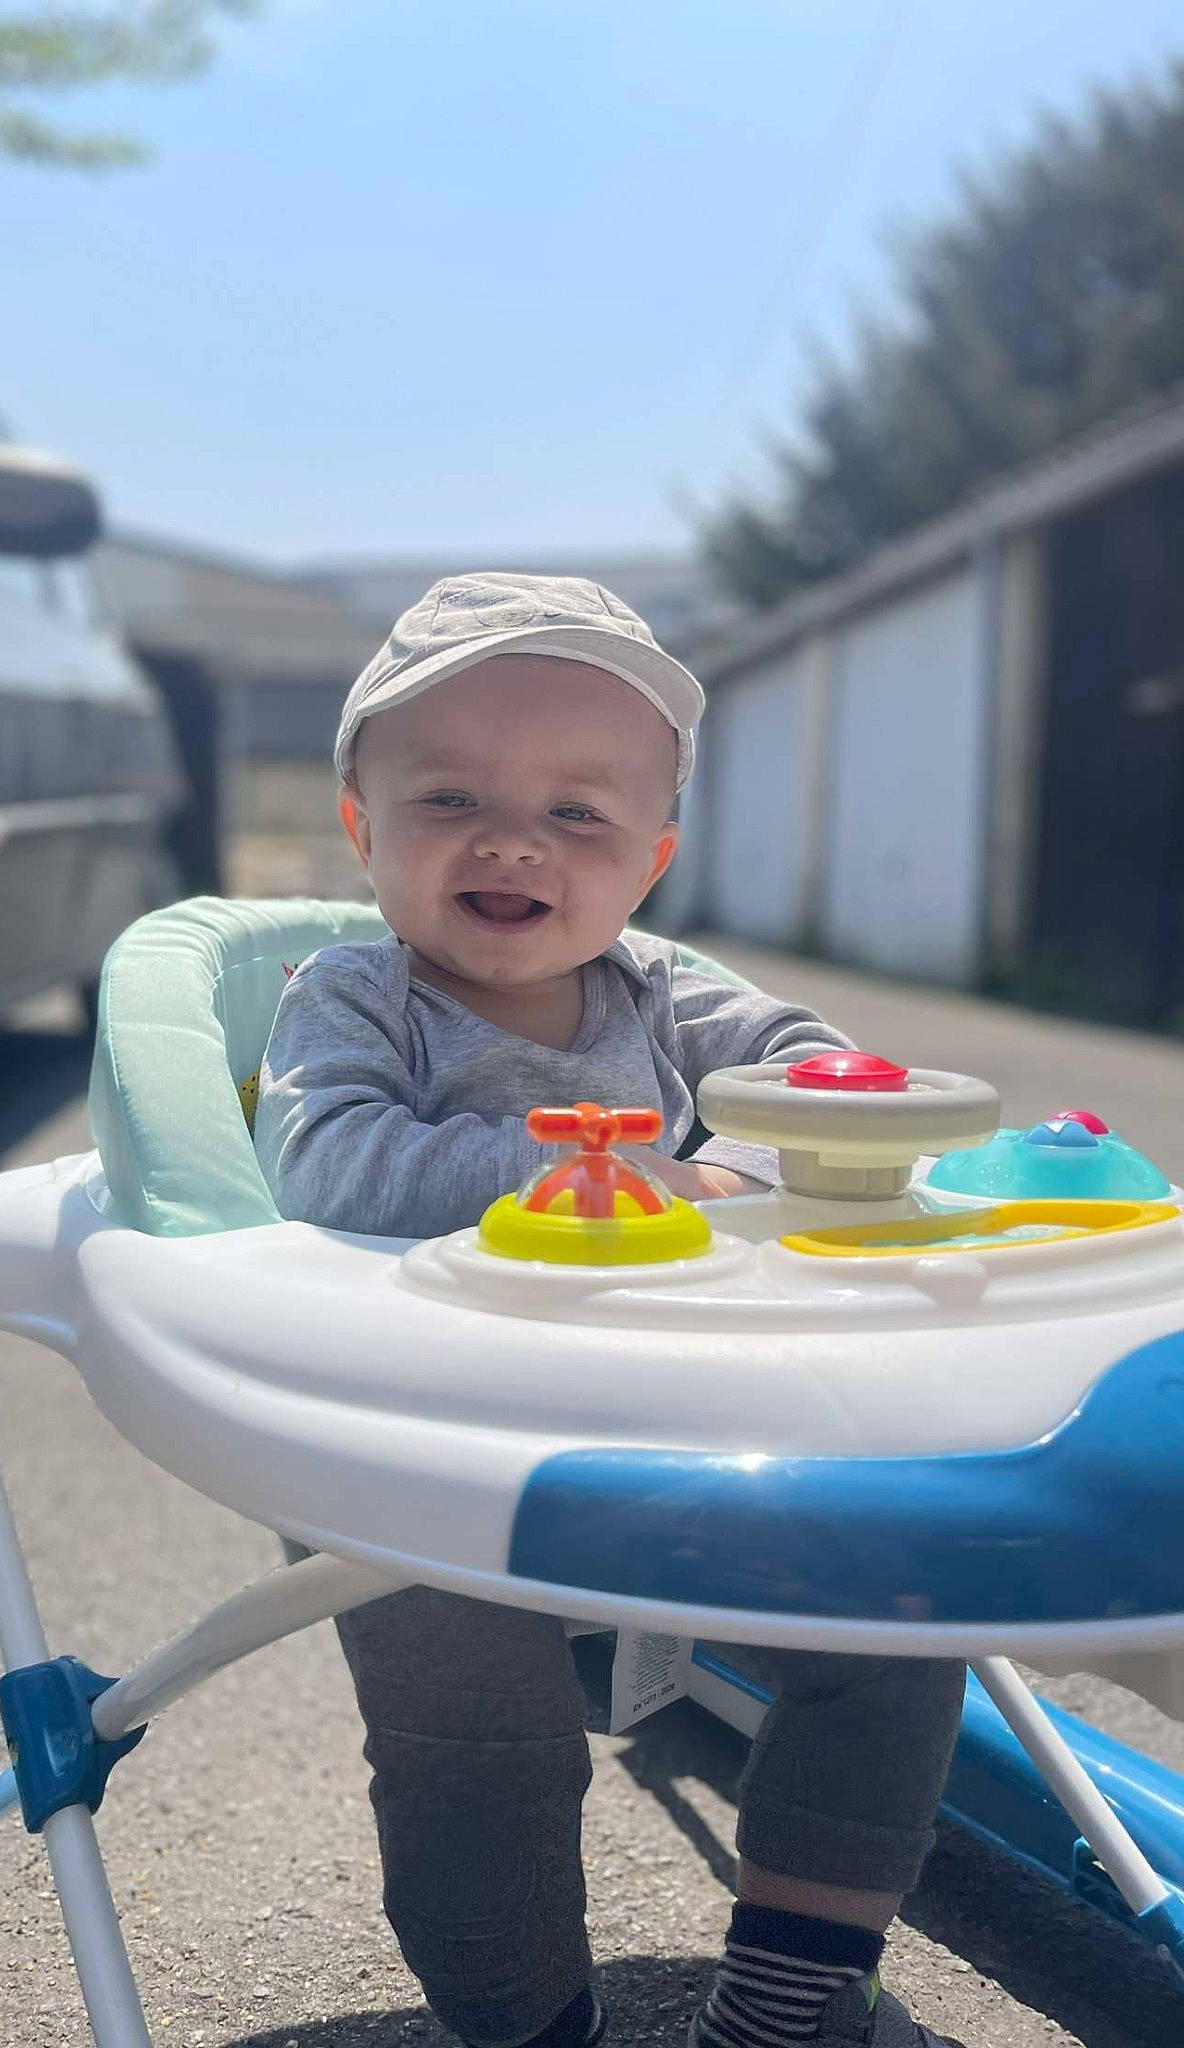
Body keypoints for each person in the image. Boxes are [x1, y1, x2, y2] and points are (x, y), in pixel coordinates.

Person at [252, 573, 967, 2048]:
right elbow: (326, 1161)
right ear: (360, 828)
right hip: (423, 1458)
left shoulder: (663, 998)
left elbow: (817, 1079)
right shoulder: (352, 998)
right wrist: (600, 1176)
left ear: (650, 861)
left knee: (905, 1619)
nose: (515, 840)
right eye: (450, 796)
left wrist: (752, 1167)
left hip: (691, 1429)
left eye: (579, 816)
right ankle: (526, 2023)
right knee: (472, 1741)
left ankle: (789, 1993)